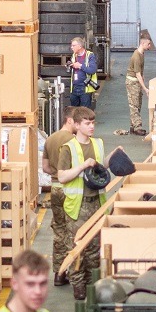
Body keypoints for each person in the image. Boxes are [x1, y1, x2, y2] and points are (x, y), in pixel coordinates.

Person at [55, 106, 109, 299]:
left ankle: (91, 285)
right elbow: (62, 177)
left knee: (95, 249)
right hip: (78, 206)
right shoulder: (68, 149)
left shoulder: (99, 144)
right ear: (76, 125)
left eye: (93, 122)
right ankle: (78, 286)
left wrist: (114, 157)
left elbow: (102, 166)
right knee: (78, 248)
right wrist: (83, 166)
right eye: (87, 123)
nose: (91, 126)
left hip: (97, 203)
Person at [41, 117, 76, 285]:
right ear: (70, 120)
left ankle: (59, 274)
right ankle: (75, 271)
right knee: (74, 231)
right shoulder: (74, 141)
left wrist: (56, 173)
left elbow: (45, 168)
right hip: (71, 189)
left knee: (59, 231)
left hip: (55, 188)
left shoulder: (50, 139)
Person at [118, 30, 154, 136]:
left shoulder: (141, 54)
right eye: (148, 44)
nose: (150, 46)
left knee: (137, 104)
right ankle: (138, 127)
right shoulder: (137, 56)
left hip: (136, 81)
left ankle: (133, 126)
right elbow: (138, 74)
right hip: (133, 82)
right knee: (134, 105)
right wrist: (145, 88)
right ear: (142, 43)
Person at [67, 36, 99, 108]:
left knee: (84, 112)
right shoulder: (73, 56)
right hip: (74, 88)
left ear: (80, 46)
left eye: (73, 45)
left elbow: (92, 70)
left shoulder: (90, 55)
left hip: (85, 88)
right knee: (74, 111)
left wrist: (80, 66)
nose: (71, 47)